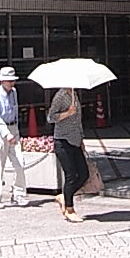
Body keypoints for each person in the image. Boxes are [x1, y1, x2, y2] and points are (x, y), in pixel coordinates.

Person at [0, 66, 28, 209]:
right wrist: (6, 133)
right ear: (2, 81)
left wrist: (14, 132)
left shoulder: (14, 93)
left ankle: (18, 194)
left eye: (13, 80)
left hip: (13, 127)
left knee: (20, 163)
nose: (12, 83)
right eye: (9, 81)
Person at [47, 86, 90, 222]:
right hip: (63, 140)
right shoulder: (60, 96)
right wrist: (67, 113)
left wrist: (81, 138)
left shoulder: (74, 94)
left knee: (84, 174)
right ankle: (69, 209)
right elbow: (50, 117)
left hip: (75, 140)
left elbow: (78, 119)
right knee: (70, 175)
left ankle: (64, 197)